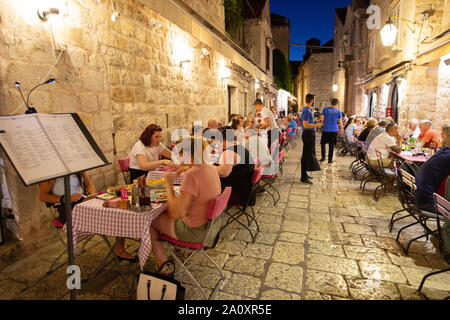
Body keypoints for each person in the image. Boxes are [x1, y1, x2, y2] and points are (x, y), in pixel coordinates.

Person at [149, 136, 222, 276]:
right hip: (212, 228)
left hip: (195, 232)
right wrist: (186, 168)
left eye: (180, 153)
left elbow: (175, 213)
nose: (179, 157)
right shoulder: (211, 168)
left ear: (188, 154)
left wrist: (168, 185)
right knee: (165, 213)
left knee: (150, 220)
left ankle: (163, 265)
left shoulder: (192, 175)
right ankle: (179, 251)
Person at [39, 172, 137, 261]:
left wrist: (93, 196)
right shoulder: (53, 173)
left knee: (118, 211)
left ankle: (120, 249)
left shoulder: (78, 167)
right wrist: (65, 198)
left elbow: (89, 185)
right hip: (66, 208)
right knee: (114, 215)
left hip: (83, 202)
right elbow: (42, 196)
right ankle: (120, 249)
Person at [216, 126, 255, 206]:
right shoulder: (240, 147)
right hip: (247, 190)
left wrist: (208, 167)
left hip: (238, 194)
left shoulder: (229, 152)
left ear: (223, 139)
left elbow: (223, 173)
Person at [415, 125, 450, 213]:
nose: (440, 135)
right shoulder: (447, 154)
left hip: (418, 196)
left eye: (442, 133)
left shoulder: (444, 151)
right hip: (429, 202)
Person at [300, 94, 322, 184]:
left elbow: (309, 123)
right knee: (306, 155)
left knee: (306, 154)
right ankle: (303, 176)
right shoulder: (306, 111)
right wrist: (316, 125)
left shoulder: (308, 110)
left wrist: (315, 122)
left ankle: (304, 174)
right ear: (312, 100)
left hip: (309, 134)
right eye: (314, 100)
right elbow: (305, 125)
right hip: (308, 134)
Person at [320, 98, 343, 164]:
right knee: (331, 145)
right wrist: (341, 130)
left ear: (331, 102)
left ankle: (323, 157)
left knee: (323, 144)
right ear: (337, 104)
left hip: (325, 129)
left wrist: (319, 128)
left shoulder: (325, 110)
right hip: (333, 130)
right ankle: (330, 160)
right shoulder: (338, 111)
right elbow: (340, 123)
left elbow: (321, 120)